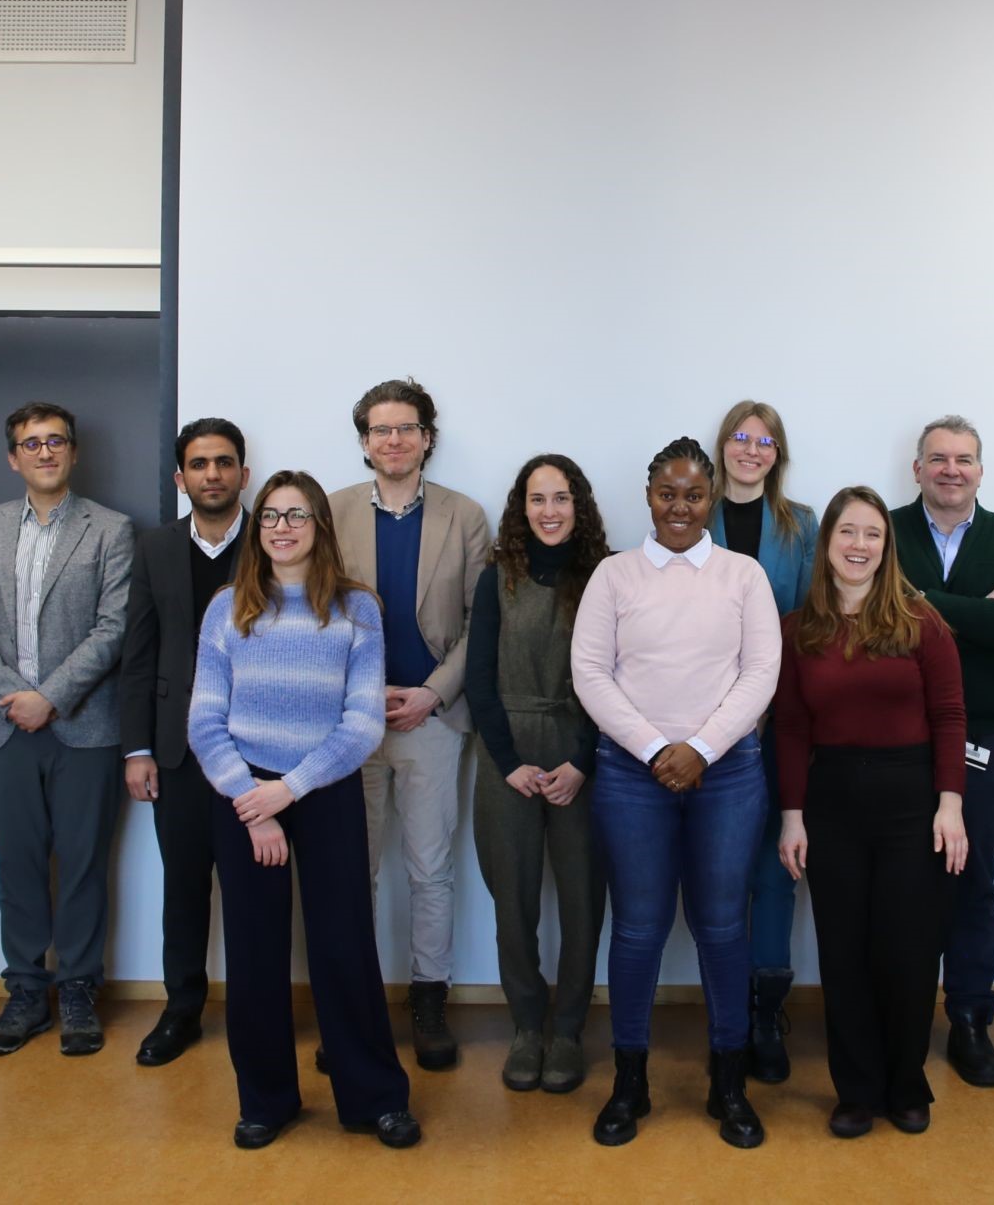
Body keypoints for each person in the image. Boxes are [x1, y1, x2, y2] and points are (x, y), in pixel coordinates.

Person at [188, 470, 419, 1150]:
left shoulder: (356, 609)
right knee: (255, 954)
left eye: (297, 514)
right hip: (244, 796)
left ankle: (373, 1096)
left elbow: (362, 722)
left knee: (344, 945)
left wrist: (288, 790)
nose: (282, 526)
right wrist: (252, 803)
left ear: (320, 525)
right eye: (270, 516)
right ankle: (266, 1100)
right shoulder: (228, 607)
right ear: (258, 530)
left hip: (323, 789)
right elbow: (206, 721)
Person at [572, 436, 782, 1150]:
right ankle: (630, 1080)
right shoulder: (614, 576)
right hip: (634, 773)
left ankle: (730, 1081)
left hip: (728, 772)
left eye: (695, 494)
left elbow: (761, 673)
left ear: (712, 498)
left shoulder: (743, 575)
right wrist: (660, 749)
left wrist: (700, 749)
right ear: (649, 494)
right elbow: (591, 674)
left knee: (723, 925)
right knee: (637, 926)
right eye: (669, 492)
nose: (681, 507)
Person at [776, 486, 968, 1138]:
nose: (859, 546)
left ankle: (906, 1085)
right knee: (845, 953)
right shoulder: (798, 630)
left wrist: (951, 804)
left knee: (907, 952)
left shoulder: (923, 621)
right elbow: (793, 728)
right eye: (847, 533)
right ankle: (855, 1091)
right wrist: (792, 815)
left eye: (873, 535)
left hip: (910, 801)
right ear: (826, 543)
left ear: (887, 548)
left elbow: (949, 715)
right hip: (830, 802)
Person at [0, 401, 135, 1058]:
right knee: (18, 862)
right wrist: (14, 695)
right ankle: (26, 989)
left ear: (74, 452)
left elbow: (114, 627)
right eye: (32, 443)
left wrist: (50, 697)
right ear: (13, 457)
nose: (45, 452)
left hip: (84, 724)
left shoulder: (111, 530)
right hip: (0, 725)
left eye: (57, 441)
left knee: (84, 863)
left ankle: (79, 987)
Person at [328, 377, 490, 1070]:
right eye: (380, 429)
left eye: (406, 427)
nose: (393, 439)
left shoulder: (465, 514)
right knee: (349, 872)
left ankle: (429, 1000)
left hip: (432, 716)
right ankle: (354, 1008)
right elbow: (313, 612)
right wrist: (363, 694)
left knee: (431, 869)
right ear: (364, 441)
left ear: (427, 436)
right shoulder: (329, 511)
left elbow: (482, 623)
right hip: (349, 721)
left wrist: (429, 692)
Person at [889, 413, 994, 1088]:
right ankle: (900, 1018)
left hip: (982, 732)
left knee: (971, 880)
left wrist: (922, 602)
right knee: (900, 885)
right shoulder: (884, 529)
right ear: (917, 468)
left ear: (981, 469)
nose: (951, 469)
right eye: (938, 458)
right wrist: (974, 610)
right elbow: (870, 616)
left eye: (964, 458)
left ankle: (971, 1019)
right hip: (894, 735)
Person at [464, 454, 610, 1094]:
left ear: (579, 505)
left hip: (585, 747)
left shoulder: (606, 577)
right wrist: (508, 763)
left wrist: (583, 759)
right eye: (537, 499)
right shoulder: (497, 577)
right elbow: (478, 679)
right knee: (513, 900)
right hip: (510, 753)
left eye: (561, 498)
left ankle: (570, 1027)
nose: (549, 511)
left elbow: (621, 678)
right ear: (521, 509)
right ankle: (527, 1025)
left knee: (582, 900)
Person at [119, 417, 250, 1067]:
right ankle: (182, 1007)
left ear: (243, 474)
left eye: (224, 462)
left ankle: (259, 1008)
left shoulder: (277, 539)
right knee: (185, 886)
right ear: (181, 477)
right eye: (199, 464)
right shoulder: (155, 548)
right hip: (176, 752)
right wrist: (136, 747)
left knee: (259, 886)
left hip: (258, 751)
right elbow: (138, 654)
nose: (213, 474)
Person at [706, 399, 818, 1083]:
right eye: (741, 438)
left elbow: (805, 626)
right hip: (703, 722)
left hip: (777, 719)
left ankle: (767, 1011)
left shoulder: (800, 525)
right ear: (723, 446)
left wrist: (773, 707)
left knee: (777, 867)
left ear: (778, 454)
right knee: (721, 871)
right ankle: (725, 1010)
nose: (751, 449)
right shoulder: (688, 509)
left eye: (765, 441)